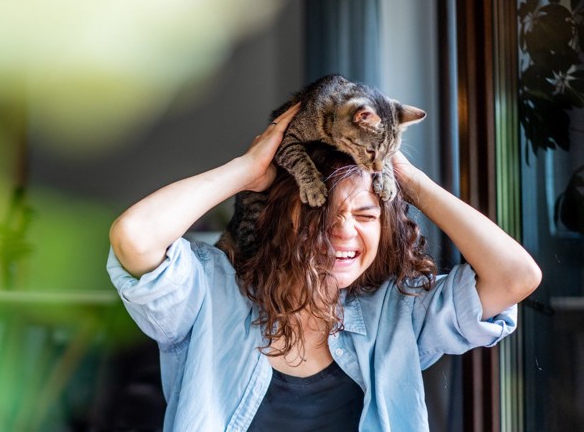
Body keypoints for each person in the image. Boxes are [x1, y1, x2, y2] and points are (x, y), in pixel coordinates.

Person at [107, 103, 541, 431]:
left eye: (366, 216)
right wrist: (245, 171)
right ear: (281, 219)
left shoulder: (397, 314)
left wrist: (408, 181)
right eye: (322, 214)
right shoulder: (210, 294)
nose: (344, 233)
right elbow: (135, 236)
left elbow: (516, 277)